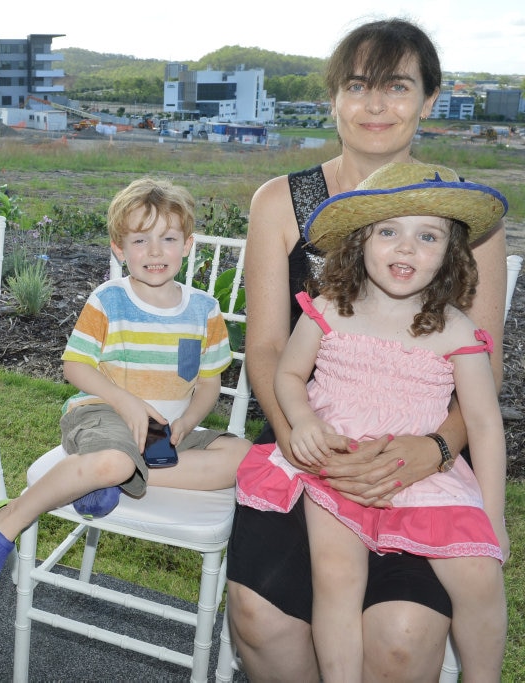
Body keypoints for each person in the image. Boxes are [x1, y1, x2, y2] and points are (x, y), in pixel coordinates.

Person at [226, 18, 509, 680]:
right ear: (333, 98)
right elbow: (267, 349)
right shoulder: (281, 203)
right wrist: (306, 434)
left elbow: (485, 370)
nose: (375, 104)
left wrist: (433, 449)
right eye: (358, 85)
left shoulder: (467, 218)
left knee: (403, 638)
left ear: (430, 100)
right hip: (310, 439)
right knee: (261, 617)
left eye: (398, 86)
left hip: (422, 451)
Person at [0, 177, 251, 596]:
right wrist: (125, 401)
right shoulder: (109, 299)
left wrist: (188, 421)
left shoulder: (204, 309)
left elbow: (208, 384)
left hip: (162, 433)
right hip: (101, 413)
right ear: (119, 247)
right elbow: (74, 367)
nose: (154, 252)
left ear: (187, 244)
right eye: (140, 240)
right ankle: (7, 520)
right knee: (114, 460)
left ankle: (110, 478)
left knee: (242, 456)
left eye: (167, 239)